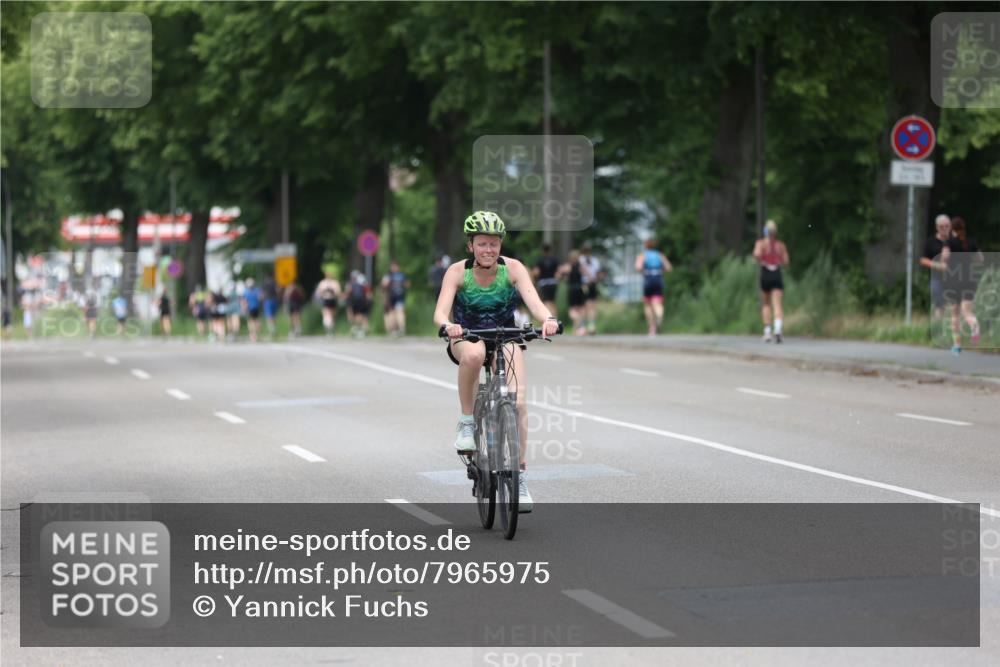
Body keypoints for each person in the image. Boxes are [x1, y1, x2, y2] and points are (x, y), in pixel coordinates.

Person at [434, 211, 559, 514]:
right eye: (482, 244)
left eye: (494, 244)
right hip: (467, 336)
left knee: (516, 402)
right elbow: (440, 313)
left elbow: (534, 301)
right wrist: (449, 326)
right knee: (475, 354)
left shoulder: (513, 269)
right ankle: (466, 422)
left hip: (505, 336)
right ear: (471, 246)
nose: (488, 249)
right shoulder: (457, 272)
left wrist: (549, 319)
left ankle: (519, 476)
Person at [943, 217, 983, 354]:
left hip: (954, 281)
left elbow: (944, 258)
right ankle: (975, 326)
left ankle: (957, 345)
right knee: (967, 311)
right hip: (969, 280)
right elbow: (980, 259)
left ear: (952, 229)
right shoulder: (971, 241)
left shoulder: (950, 242)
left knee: (954, 315)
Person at [752, 219, 790, 343]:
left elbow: (756, 254)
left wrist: (761, 257)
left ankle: (767, 332)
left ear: (765, 231)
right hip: (777, 273)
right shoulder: (780, 245)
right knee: (777, 304)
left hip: (765, 273)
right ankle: (778, 330)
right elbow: (786, 261)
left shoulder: (761, 243)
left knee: (766, 303)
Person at [919, 214, 955, 321]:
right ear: (937, 227)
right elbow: (923, 260)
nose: (944, 229)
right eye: (941, 226)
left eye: (947, 226)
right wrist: (937, 265)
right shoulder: (931, 242)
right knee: (940, 305)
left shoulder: (955, 241)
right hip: (936, 279)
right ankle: (937, 327)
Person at [635, 238, 673, 336]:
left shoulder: (643, 255)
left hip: (648, 279)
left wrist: (644, 271)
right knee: (658, 303)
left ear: (645, 246)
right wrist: (660, 271)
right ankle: (659, 318)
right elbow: (669, 267)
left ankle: (652, 327)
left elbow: (638, 267)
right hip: (658, 279)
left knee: (648, 304)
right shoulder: (659, 255)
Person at [559, 249, 588, 335]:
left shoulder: (568, 266)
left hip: (571, 289)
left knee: (572, 310)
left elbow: (560, 274)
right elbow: (586, 274)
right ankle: (577, 329)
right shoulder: (581, 266)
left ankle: (576, 322)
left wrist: (565, 278)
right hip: (580, 288)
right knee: (581, 309)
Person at [381, 260, 411, 337]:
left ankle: (396, 330)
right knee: (398, 313)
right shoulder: (402, 275)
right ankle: (400, 329)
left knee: (395, 313)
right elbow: (407, 285)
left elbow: (384, 285)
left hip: (393, 297)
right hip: (398, 296)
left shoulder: (389, 275)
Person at [578, 242, 603, 335]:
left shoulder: (580, 259)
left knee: (586, 305)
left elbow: (581, 270)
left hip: (585, 283)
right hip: (592, 283)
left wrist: (589, 277)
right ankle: (591, 325)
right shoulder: (595, 260)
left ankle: (584, 326)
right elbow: (598, 273)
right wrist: (595, 278)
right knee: (592, 305)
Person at [532, 244, 561, 318]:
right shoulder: (554, 259)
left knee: (546, 301)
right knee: (552, 301)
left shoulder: (540, 260)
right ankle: (555, 317)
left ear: (542, 251)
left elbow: (536, 272)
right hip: (553, 282)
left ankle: (549, 318)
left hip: (544, 283)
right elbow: (558, 273)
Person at [314, 271, 342, 337]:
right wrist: (324, 292)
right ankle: (327, 327)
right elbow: (318, 292)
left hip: (332, 299)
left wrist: (332, 292)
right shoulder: (322, 283)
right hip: (325, 299)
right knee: (326, 313)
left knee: (332, 314)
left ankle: (331, 328)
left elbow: (338, 292)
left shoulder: (334, 283)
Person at [347, 271, 372, 338]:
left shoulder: (352, 283)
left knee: (357, 315)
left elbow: (349, 291)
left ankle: (358, 329)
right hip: (363, 300)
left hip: (355, 300)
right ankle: (362, 329)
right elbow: (368, 291)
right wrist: (369, 299)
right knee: (363, 315)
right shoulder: (363, 280)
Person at [242, 278, 262, 342]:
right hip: (253, 308)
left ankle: (253, 335)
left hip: (253, 308)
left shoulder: (247, 291)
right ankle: (254, 335)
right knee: (253, 322)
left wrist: (244, 307)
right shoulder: (256, 290)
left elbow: (244, 301)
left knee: (252, 322)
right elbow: (260, 298)